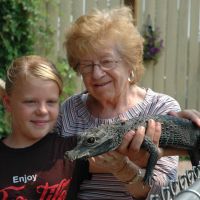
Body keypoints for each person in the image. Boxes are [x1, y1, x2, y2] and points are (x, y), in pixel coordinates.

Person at [56, 6, 200, 200]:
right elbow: (52, 170)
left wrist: (125, 168)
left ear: (129, 63)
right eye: (87, 65)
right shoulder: (69, 110)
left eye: (106, 61)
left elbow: (163, 192)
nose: (97, 73)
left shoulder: (160, 108)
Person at [0, 55, 86, 200]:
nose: (43, 110)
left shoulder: (72, 150)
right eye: (30, 102)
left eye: (51, 102)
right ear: (8, 103)